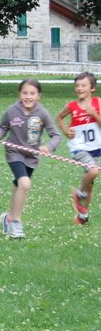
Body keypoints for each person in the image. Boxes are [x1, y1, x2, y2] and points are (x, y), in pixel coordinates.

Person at [0, 79, 61, 239]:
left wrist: (48, 147)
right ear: (19, 94)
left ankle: (8, 218)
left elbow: (56, 135)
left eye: (32, 93)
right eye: (25, 93)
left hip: (31, 157)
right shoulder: (12, 110)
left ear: (39, 95)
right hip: (14, 153)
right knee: (25, 184)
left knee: (18, 185)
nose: (28, 97)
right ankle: (16, 221)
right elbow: (3, 127)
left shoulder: (43, 113)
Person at [56, 71, 101, 225]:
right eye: (77, 86)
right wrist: (65, 131)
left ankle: (83, 215)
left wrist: (95, 115)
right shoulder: (72, 106)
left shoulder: (98, 103)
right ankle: (79, 194)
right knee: (93, 171)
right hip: (79, 147)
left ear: (92, 88)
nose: (79, 88)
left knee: (90, 183)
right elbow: (59, 117)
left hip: (95, 147)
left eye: (83, 85)